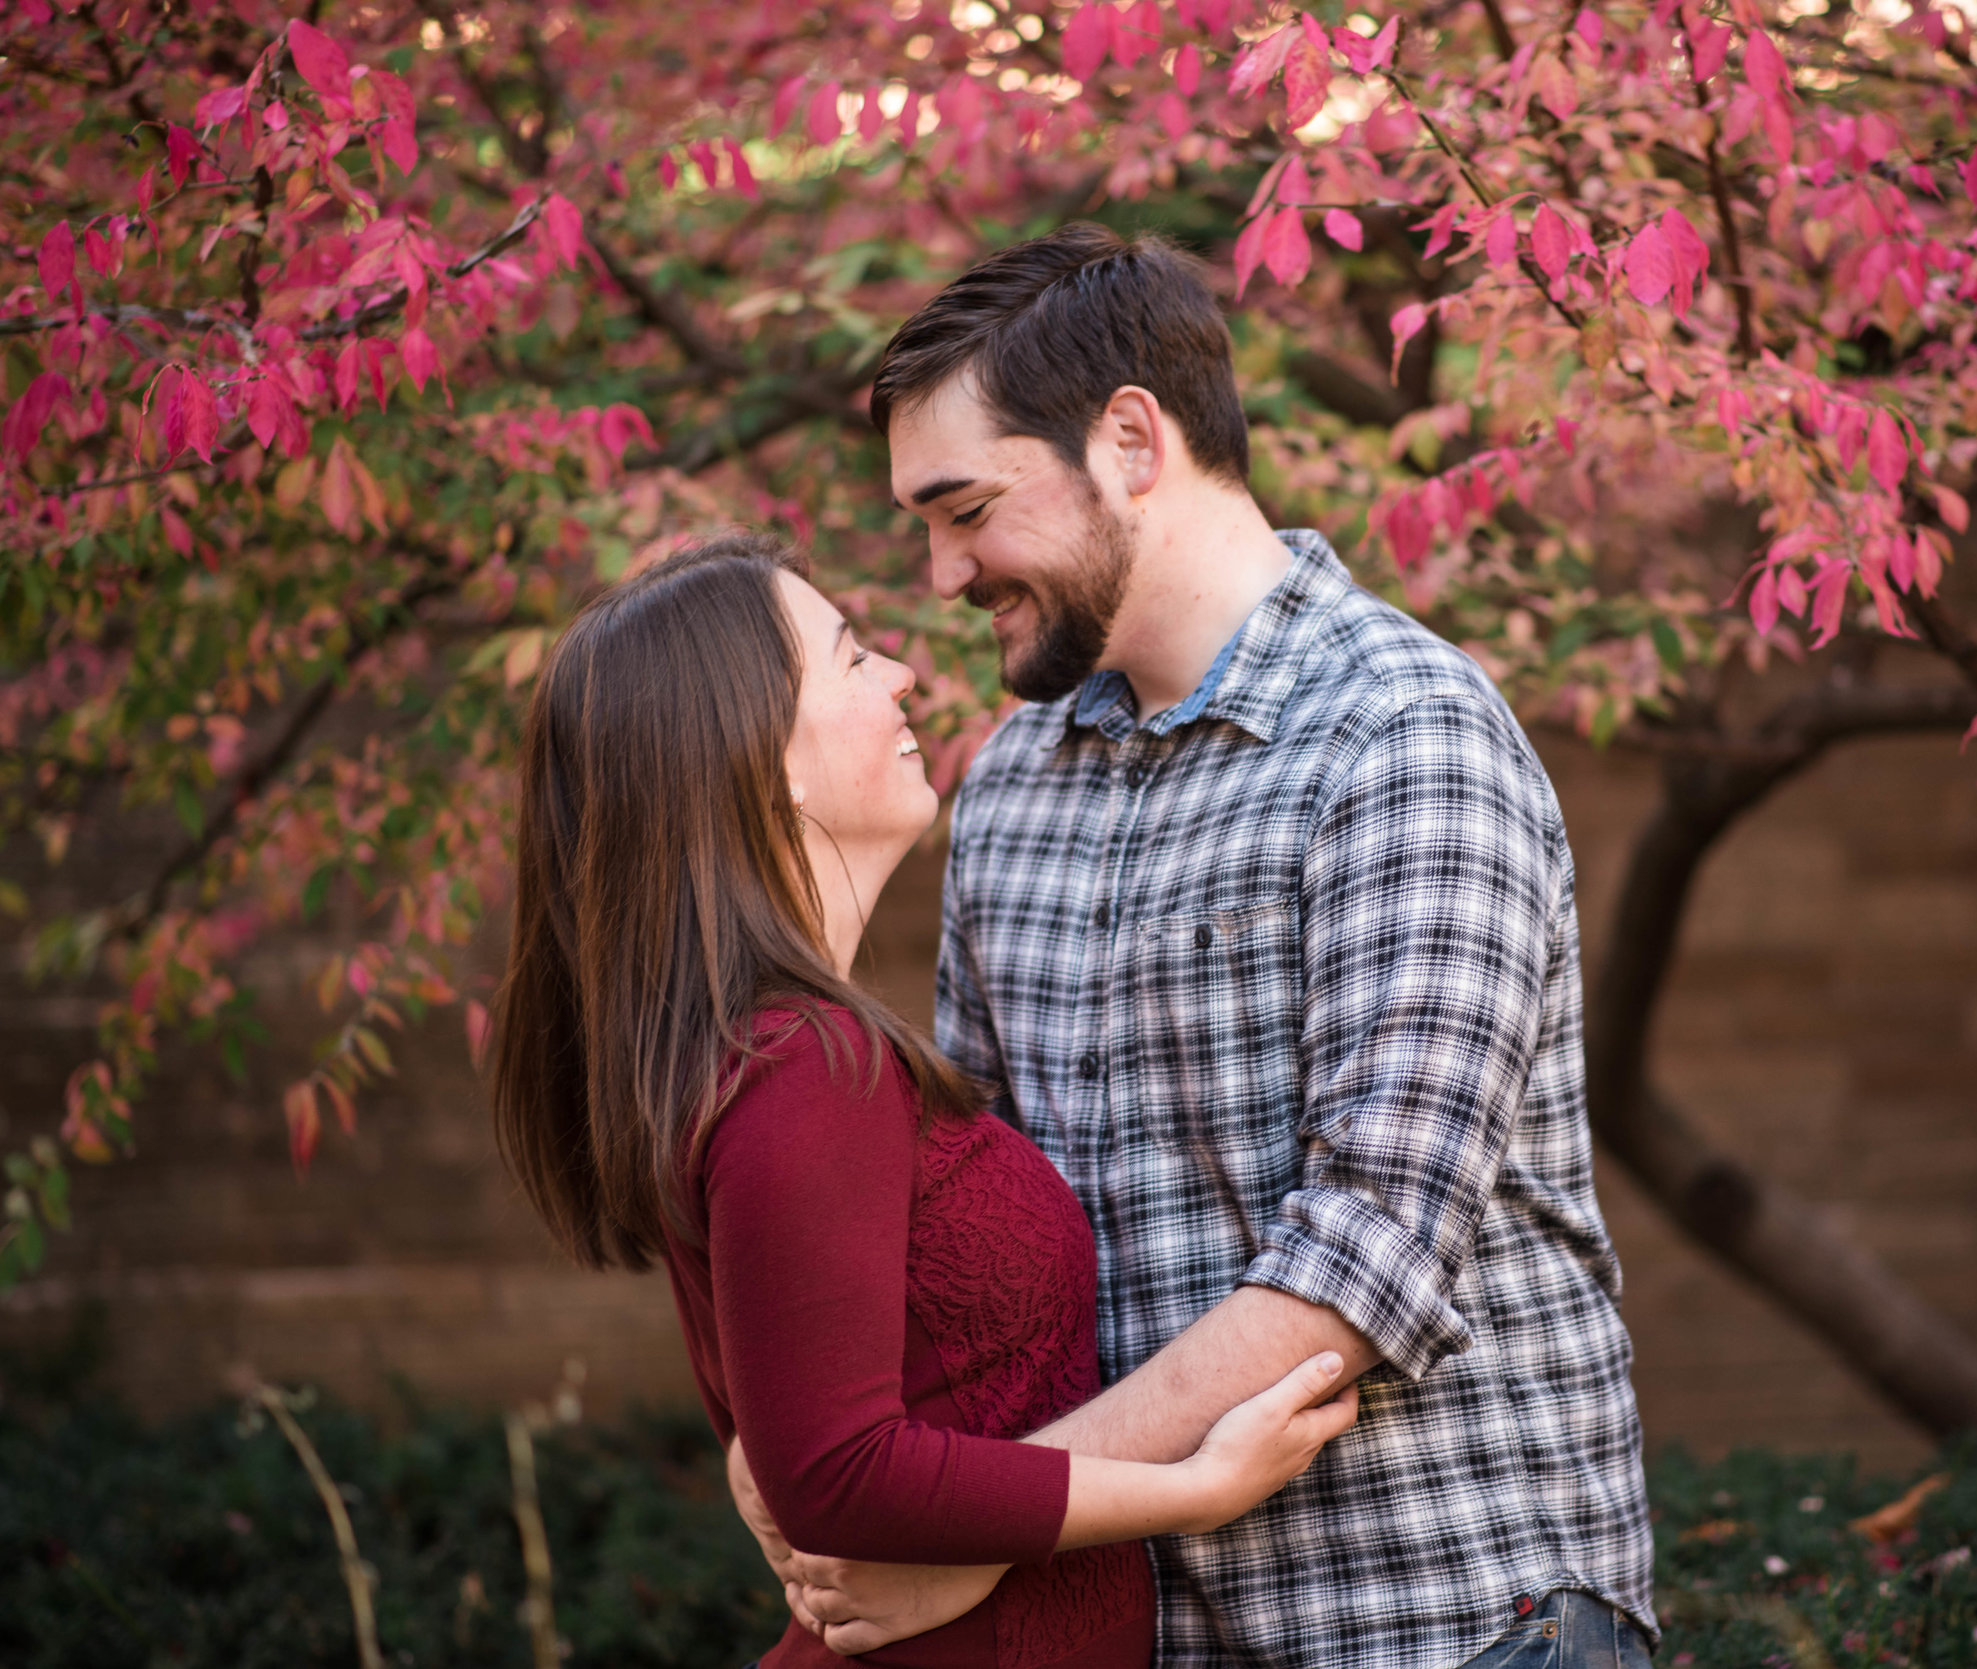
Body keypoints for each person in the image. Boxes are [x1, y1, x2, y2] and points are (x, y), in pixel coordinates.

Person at [741, 224, 1656, 1667]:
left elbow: (1363, 1265)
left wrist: (984, 1535)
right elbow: (968, 1220)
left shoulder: (1404, 736)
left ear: (1129, 439)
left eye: (965, 507)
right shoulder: (1016, 784)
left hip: (1444, 1622)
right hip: (1138, 1634)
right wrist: (789, 1431)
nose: (938, 573)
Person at [487, 533, 1361, 1669]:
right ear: (767, 761)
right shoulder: (804, 1060)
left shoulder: (770, 1051)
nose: (903, 674)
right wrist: (1186, 1489)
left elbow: (796, 1431)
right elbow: (838, 1474)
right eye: (852, 658)